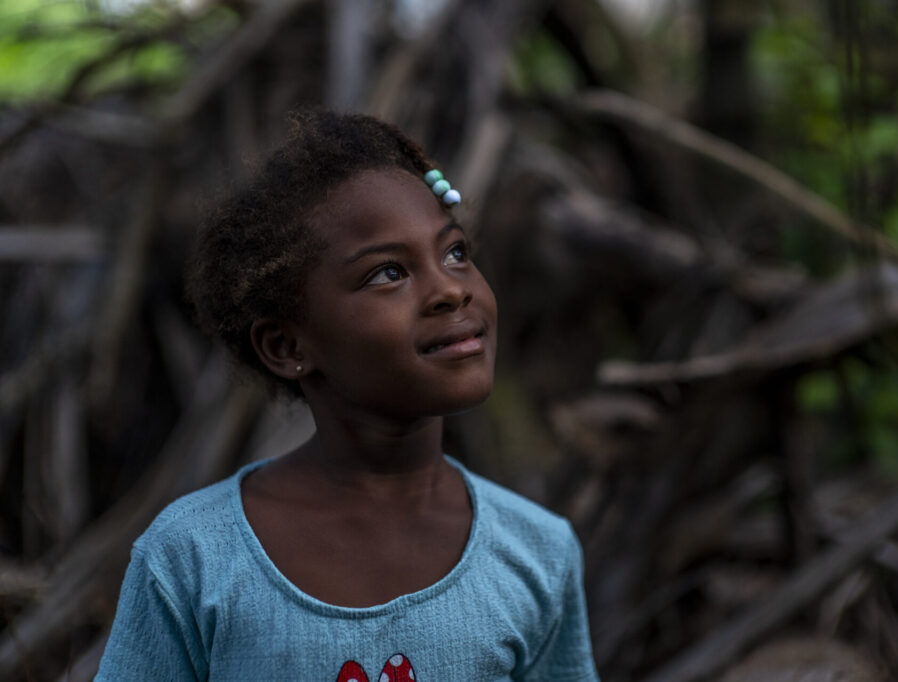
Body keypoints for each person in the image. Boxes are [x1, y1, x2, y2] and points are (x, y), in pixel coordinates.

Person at [95, 112, 599, 681]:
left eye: (455, 252)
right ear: (287, 345)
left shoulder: (536, 552)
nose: (451, 290)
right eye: (387, 273)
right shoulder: (193, 560)